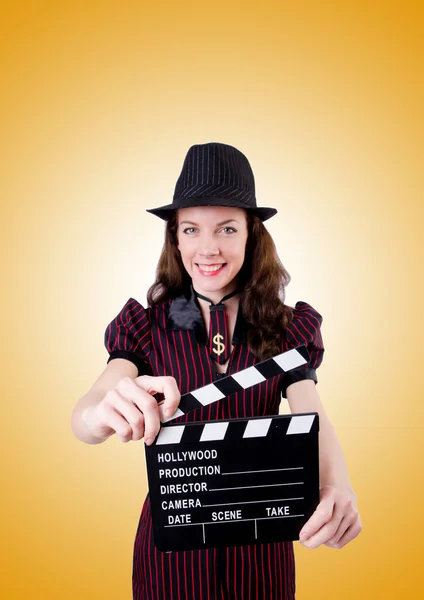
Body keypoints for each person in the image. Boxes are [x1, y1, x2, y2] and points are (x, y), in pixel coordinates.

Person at [71, 142, 362, 599]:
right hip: (172, 552)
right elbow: (87, 413)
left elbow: (312, 413)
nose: (208, 248)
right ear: (176, 238)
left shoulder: (288, 329)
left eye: (226, 228)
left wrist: (337, 484)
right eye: (191, 229)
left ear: (251, 235)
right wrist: (97, 415)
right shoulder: (145, 327)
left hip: (261, 552)